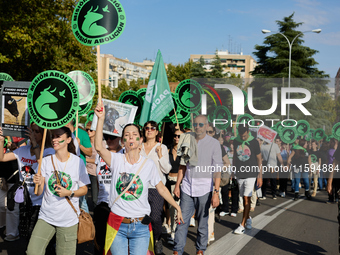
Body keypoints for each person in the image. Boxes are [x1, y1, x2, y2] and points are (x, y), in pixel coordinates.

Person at [93, 103, 183, 255]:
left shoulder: (148, 164)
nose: (130, 137)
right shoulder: (115, 159)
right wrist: (100, 119)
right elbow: (99, 148)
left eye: (134, 134)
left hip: (141, 225)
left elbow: (161, 187)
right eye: (127, 135)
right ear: (123, 141)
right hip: (117, 224)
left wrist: (177, 206)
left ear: (140, 139)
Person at [26, 127, 90, 255]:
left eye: (58, 136)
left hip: (68, 220)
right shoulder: (45, 161)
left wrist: (69, 193)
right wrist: (38, 183)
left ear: (68, 140)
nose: (54, 139)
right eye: (53, 136)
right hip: (46, 217)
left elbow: (84, 189)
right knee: (32, 252)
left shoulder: (77, 162)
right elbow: (38, 193)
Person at [173, 115, 222, 255]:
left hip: (205, 189)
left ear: (206, 126)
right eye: (195, 124)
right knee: (181, 221)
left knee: (202, 223)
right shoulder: (186, 140)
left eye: (201, 124)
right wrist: (178, 185)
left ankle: (200, 250)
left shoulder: (214, 144)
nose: (198, 127)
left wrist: (216, 192)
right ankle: (177, 251)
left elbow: (217, 170)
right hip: (187, 187)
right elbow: (182, 165)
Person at [0, 125, 54, 241]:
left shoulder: (49, 151)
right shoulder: (22, 150)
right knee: (28, 234)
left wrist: (34, 143)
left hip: (41, 200)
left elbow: (42, 163)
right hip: (25, 200)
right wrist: (1, 140)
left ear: (44, 134)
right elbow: (2, 158)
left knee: (36, 235)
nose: (33, 134)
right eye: (31, 131)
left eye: (37, 132)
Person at [140, 121, 172, 254]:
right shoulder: (139, 146)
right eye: (147, 128)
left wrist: (159, 155)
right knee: (141, 216)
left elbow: (167, 169)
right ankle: (145, 242)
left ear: (157, 131)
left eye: (152, 128)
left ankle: (157, 239)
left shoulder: (162, 147)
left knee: (155, 216)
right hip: (140, 187)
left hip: (156, 187)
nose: (149, 130)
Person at [93, 133, 122, 255]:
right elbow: (99, 179)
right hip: (102, 203)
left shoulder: (124, 154)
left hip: (119, 204)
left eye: (112, 137)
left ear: (120, 138)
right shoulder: (100, 155)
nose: (109, 140)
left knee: (116, 242)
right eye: (106, 137)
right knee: (100, 239)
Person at [232, 125, 262, 235]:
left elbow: (259, 159)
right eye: (241, 136)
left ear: (248, 132)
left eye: (244, 135)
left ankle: (242, 225)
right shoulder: (235, 141)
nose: (243, 137)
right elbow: (235, 156)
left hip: (251, 173)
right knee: (243, 198)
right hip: (240, 173)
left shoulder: (254, 142)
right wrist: (233, 170)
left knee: (246, 198)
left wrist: (260, 176)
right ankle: (248, 218)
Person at [65, 120, 92, 213]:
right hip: (65, 171)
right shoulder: (62, 133)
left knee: (81, 202)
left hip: (79, 172)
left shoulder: (82, 134)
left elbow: (90, 152)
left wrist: (79, 145)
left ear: (68, 123)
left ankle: (86, 224)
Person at [165, 128, 184, 245]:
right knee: (171, 209)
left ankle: (174, 233)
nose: (177, 138)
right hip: (168, 181)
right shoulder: (167, 149)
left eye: (179, 136)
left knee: (177, 209)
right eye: (175, 136)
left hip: (180, 183)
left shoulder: (185, 150)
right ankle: (173, 230)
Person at [0, 138, 19, 241]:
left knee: (12, 208)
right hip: (2, 177)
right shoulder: (2, 137)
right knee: (2, 205)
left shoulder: (20, 136)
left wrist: (15, 147)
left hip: (15, 178)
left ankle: (12, 233)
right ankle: (3, 225)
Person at [85, 121, 99, 206]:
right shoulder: (86, 142)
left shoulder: (100, 144)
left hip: (95, 172)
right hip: (85, 171)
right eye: (87, 130)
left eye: (91, 130)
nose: (88, 132)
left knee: (95, 198)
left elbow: (98, 160)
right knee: (84, 197)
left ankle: (97, 217)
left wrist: (86, 159)